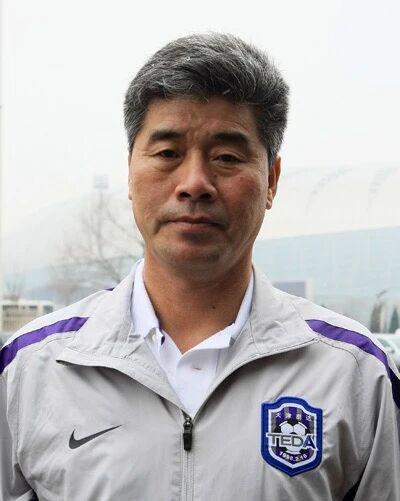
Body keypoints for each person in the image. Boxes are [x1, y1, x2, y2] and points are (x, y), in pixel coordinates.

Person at [1, 33, 399, 501]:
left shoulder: (354, 375)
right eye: (168, 153)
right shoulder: (32, 370)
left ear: (271, 181)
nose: (194, 183)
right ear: (129, 170)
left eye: (227, 158)